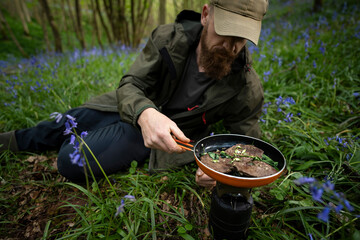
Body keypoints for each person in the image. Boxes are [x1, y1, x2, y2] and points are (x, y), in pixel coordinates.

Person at [0, 0, 268, 188]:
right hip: (129, 108)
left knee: (72, 160)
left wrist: (219, 169)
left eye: (241, 38)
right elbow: (130, 83)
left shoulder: (244, 86)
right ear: (206, 15)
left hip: (160, 139)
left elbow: (247, 146)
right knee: (63, 122)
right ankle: (9, 142)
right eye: (225, 31)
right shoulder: (168, 39)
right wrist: (145, 113)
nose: (230, 46)